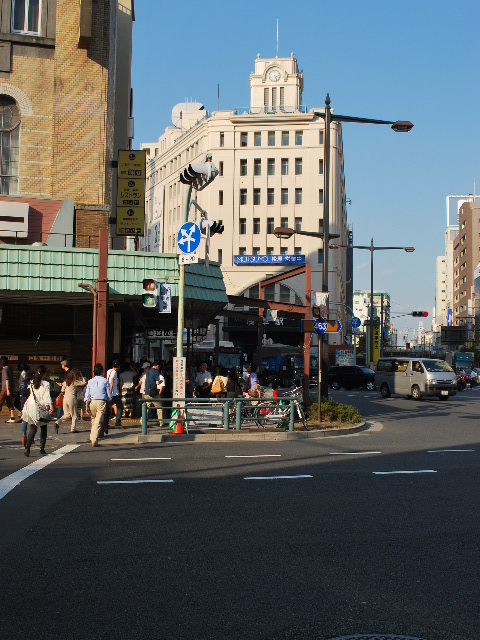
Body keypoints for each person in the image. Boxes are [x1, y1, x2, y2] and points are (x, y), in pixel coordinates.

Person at [24, 365, 54, 457]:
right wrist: (51, 406)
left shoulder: (32, 382)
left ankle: (27, 447)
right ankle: (42, 448)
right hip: (41, 407)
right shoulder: (46, 384)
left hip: (31, 406)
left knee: (33, 428)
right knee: (43, 427)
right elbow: (46, 397)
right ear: (44, 374)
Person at [84, 363, 112, 448]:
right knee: (98, 421)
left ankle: (92, 436)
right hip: (101, 402)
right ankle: (94, 440)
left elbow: (87, 395)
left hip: (92, 402)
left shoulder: (90, 381)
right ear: (102, 371)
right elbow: (108, 395)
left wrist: (86, 406)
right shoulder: (105, 381)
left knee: (93, 420)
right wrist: (110, 402)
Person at [56, 368, 86, 433]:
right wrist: (81, 376)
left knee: (67, 415)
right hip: (72, 399)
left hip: (65, 399)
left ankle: (57, 423)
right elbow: (84, 383)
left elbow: (62, 391)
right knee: (74, 415)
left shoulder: (65, 381)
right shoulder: (75, 382)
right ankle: (73, 429)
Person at [106, 360, 123, 428]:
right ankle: (118, 422)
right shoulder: (114, 372)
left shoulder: (108, 371)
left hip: (109, 393)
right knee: (120, 407)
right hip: (114, 393)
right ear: (118, 367)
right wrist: (110, 392)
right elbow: (112, 382)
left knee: (107, 408)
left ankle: (106, 423)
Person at [0, 356, 16, 423]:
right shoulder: (10, 369)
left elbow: (6, 379)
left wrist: (7, 389)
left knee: (0, 402)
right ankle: (12, 417)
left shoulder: (4, 370)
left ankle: (12, 418)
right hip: (9, 389)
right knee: (9, 403)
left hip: (5, 389)